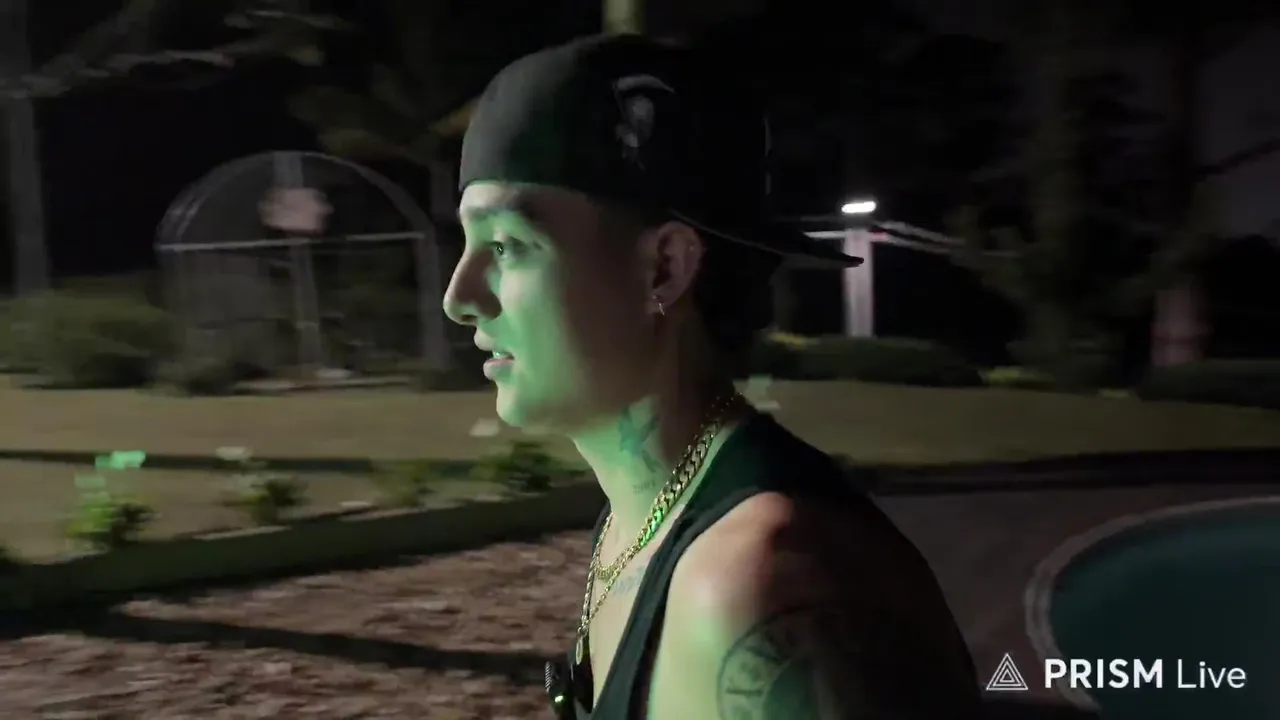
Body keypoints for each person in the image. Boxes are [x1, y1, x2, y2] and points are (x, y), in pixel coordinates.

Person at [443, 33, 981, 720]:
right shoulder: (638, 522)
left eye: (507, 245)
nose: (458, 297)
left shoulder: (765, 583)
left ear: (664, 268)